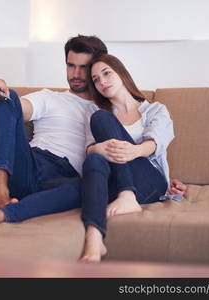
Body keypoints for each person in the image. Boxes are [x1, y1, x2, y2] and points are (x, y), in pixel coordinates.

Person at [0, 35, 186, 230]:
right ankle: (1, 195)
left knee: (89, 188)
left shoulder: (108, 112)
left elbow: (133, 151)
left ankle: (5, 214)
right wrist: (2, 87)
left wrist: (166, 177)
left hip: (68, 178)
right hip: (31, 163)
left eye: (84, 68)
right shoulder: (51, 97)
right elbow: (16, 108)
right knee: (3, 100)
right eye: (70, 65)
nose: (75, 73)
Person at [79, 54, 180, 263]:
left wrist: (135, 151)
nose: (102, 82)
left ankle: (128, 195)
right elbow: (89, 150)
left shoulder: (155, 110)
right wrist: (100, 148)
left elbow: (156, 142)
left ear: (121, 73)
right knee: (94, 159)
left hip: (148, 182)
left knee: (102, 120)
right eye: (96, 80)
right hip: (111, 183)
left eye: (106, 73)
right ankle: (95, 238)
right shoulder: (95, 111)